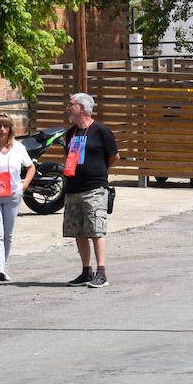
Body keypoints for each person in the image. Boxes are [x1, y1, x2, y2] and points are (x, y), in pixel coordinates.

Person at [62, 93, 117, 288]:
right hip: (73, 188)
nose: (68, 108)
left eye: (71, 105)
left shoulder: (101, 131)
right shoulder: (71, 133)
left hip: (94, 188)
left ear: (83, 107)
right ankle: (86, 271)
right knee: (78, 231)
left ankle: (102, 273)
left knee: (96, 230)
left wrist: (99, 172)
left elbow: (113, 156)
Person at [0, 113, 33, 283]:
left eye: (5, 126)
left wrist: (23, 186)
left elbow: (31, 168)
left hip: (13, 195)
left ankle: (4, 265)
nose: (2, 129)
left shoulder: (18, 147)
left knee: (8, 234)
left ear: (10, 128)